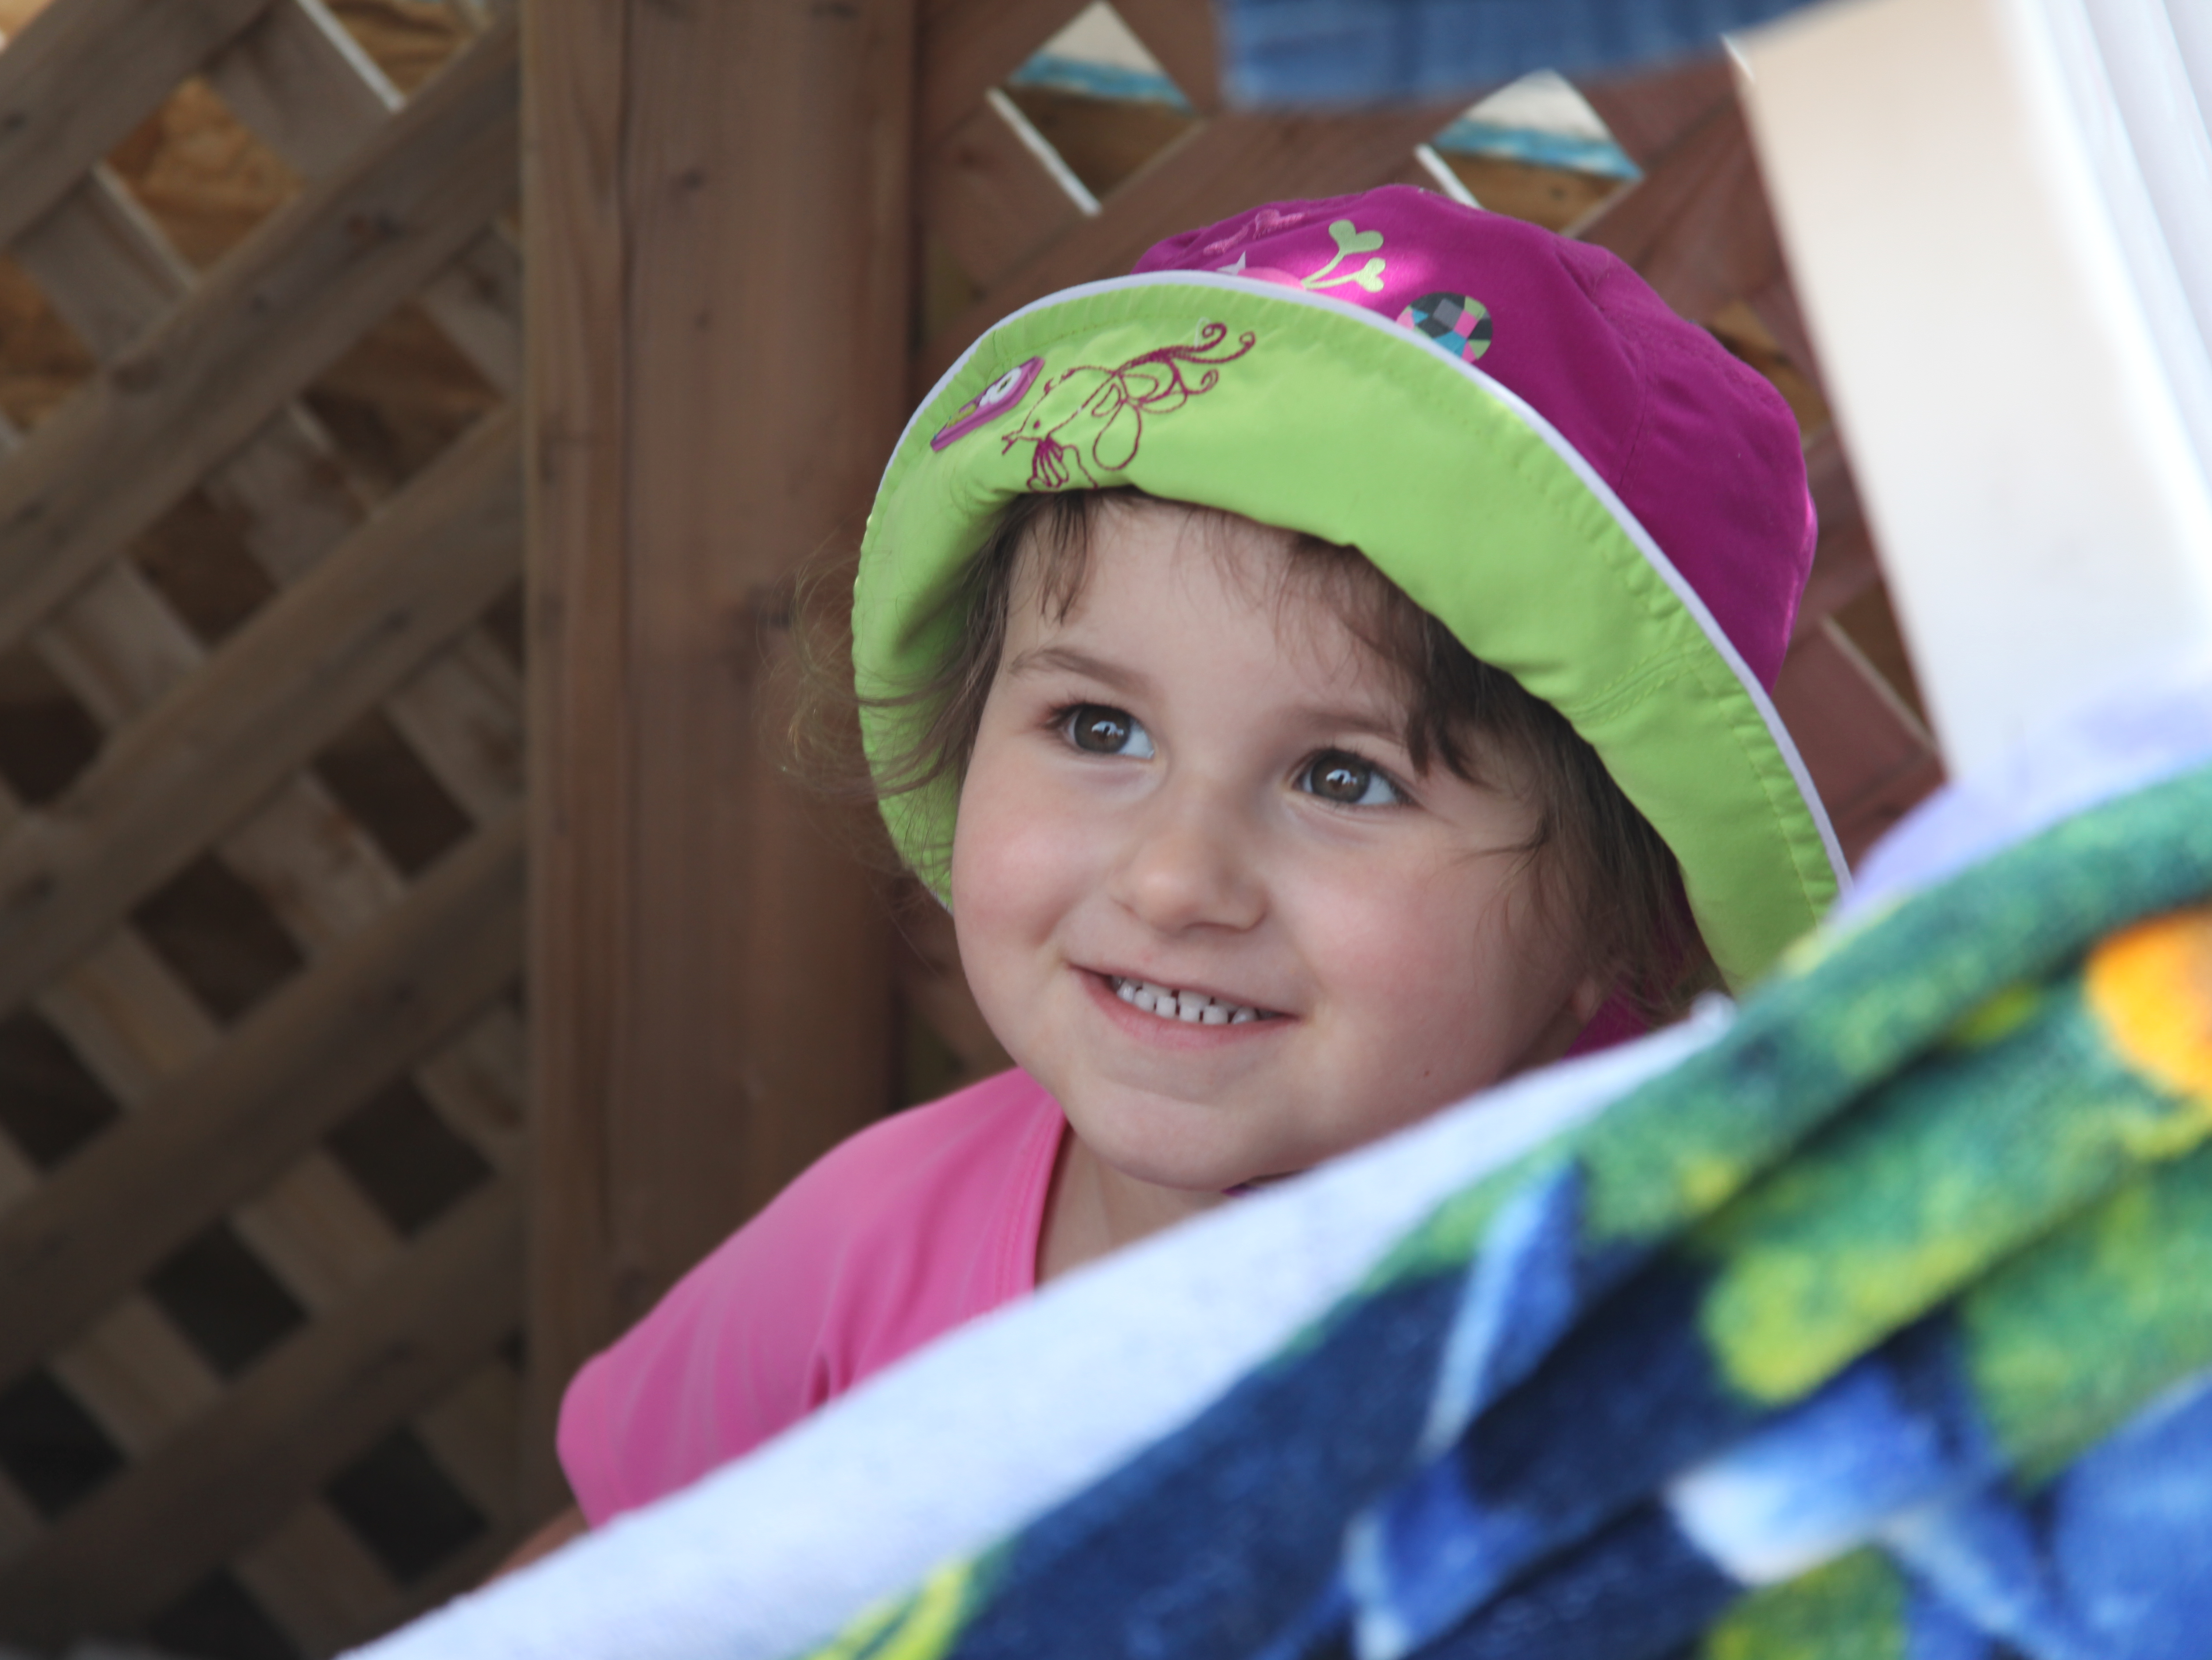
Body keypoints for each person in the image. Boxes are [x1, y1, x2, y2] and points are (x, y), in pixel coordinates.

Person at [507, 185, 1846, 1565]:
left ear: (1621, 912)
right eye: (1100, 729)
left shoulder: (1674, 1403)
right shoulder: (864, 1244)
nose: (1172, 881)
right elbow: (591, 1585)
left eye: (1345, 779)